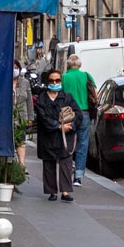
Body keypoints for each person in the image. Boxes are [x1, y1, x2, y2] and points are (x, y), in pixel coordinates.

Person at [33, 68, 81, 201]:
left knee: (66, 163)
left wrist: (71, 126)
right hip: (48, 136)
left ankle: (65, 191)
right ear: (47, 82)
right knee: (49, 163)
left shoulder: (68, 97)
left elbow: (78, 114)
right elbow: (43, 118)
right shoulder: (41, 99)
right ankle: (52, 191)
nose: (55, 83)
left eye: (57, 80)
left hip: (65, 137)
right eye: (52, 80)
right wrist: (58, 126)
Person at [61, 54, 97, 182]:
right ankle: (79, 177)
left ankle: (68, 169)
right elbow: (95, 95)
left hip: (69, 114)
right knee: (83, 144)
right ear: (80, 65)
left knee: (68, 143)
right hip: (84, 113)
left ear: (68, 65)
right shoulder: (86, 76)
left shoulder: (64, 77)